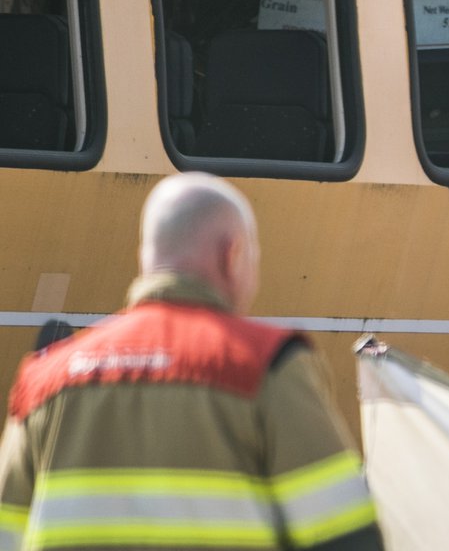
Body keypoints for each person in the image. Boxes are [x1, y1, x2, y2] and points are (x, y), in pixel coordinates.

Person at [0, 172, 382, 551]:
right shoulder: (266, 366)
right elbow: (344, 536)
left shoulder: (45, 380)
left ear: (146, 258)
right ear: (231, 255)